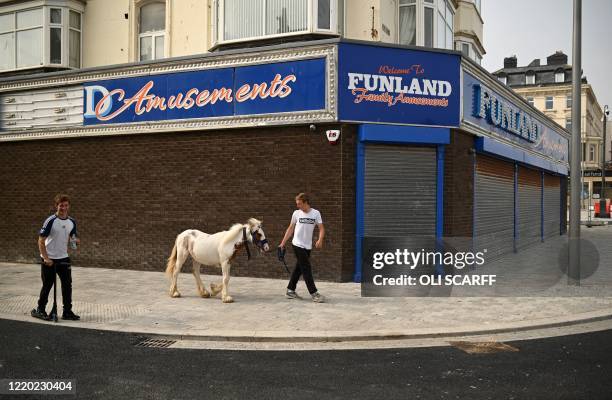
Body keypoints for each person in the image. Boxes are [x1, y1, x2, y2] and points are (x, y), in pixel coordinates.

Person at [31, 194, 81, 321]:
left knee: (67, 285)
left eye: (66, 205)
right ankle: (40, 310)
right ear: (56, 206)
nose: (63, 208)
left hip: (64, 258)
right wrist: (46, 258)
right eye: (61, 205)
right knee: (47, 285)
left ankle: (67, 312)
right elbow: (41, 241)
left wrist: (74, 242)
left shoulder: (72, 222)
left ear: (68, 206)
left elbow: (72, 239)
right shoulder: (51, 221)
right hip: (49, 259)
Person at [279, 192, 326, 303]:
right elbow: (290, 228)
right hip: (297, 244)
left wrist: (320, 239)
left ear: (306, 203)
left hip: (308, 246)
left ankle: (290, 290)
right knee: (306, 268)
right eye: (297, 204)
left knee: (298, 268)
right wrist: (283, 243)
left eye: (299, 204)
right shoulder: (296, 213)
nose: (298, 206)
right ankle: (314, 293)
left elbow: (322, 228)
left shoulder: (316, 213)